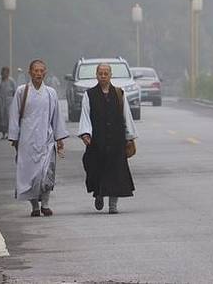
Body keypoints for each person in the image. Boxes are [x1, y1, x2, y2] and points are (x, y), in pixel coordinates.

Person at [8, 59, 68, 217]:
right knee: (30, 175)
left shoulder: (50, 93)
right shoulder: (22, 91)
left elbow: (56, 117)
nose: (38, 74)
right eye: (36, 71)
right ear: (30, 72)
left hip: (46, 139)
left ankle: (45, 204)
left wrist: (59, 138)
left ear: (45, 73)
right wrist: (14, 136)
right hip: (27, 140)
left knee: (47, 172)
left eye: (41, 71)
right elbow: (14, 115)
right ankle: (34, 205)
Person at [78, 63, 137, 214]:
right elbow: (85, 115)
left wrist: (129, 137)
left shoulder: (119, 94)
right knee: (96, 169)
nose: (103, 76)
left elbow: (126, 115)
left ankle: (113, 205)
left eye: (106, 73)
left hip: (117, 141)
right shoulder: (89, 95)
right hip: (97, 141)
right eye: (100, 73)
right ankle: (99, 193)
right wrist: (86, 134)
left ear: (111, 75)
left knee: (116, 173)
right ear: (96, 75)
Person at [0, 66, 16, 139]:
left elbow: (15, 91)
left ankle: (8, 133)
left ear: (8, 73)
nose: (4, 74)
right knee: (0, 117)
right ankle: (3, 133)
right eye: (3, 73)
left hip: (8, 103)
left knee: (8, 117)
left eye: (6, 73)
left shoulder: (11, 81)